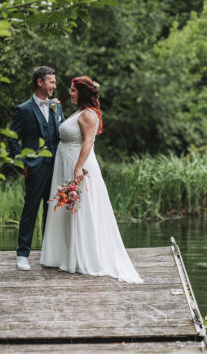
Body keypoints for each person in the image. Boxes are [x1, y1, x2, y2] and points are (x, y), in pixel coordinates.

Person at [40, 76, 143, 283]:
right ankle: (65, 255)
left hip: (77, 165)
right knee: (66, 208)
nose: (70, 93)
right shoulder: (78, 112)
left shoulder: (88, 115)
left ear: (84, 93)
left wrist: (78, 167)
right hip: (65, 163)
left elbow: (88, 142)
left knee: (78, 210)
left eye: (73, 90)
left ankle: (79, 258)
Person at [8, 66, 66, 271]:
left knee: (52, 210)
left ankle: (49, 254)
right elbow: (12, 138)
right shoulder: (23, 109)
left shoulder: (56, 106)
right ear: (40, 82)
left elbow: (63, 132)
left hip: (56, 167)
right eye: (51, 82)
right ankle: (22, 255)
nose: (55, 86)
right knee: (30, 210)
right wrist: (23, 162)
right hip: (35, 167)